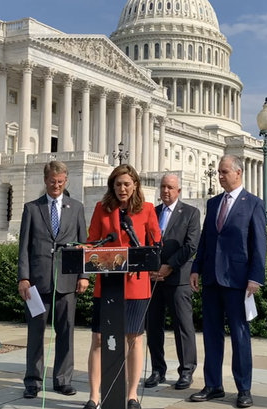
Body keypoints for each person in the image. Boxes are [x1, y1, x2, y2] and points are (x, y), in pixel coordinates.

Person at [189, 155, 266, 409]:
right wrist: (196, 268)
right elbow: (206, 239)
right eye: (218, 172)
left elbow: (259, 244)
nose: (220, 176)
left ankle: (244, 388)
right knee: (211, 335)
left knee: (240, 336)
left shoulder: (253, 204)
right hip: (211, 278)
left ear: (238, 173)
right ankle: (213, 385)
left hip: (238, 280)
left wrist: (256, 276)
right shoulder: (212, 204)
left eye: (224, 172)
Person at [85, 164, 160, 409]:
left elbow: (155, 244)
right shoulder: (101, 208)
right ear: (112, 186)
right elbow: (92, 243)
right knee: (98, 338)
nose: (122, 188)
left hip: (136, 285)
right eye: (118, 184)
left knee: (134, 338)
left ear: (135, 185)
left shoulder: (147, 210)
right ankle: (94, 397)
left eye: (127, 184)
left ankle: (131, 395)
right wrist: (83, 251)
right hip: (107, 285)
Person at [16, 161, 89, 400]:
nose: (56, 185)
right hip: (37, 283)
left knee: (66, 333)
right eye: (51, 181)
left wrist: (83, 275)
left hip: (67, 281)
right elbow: (24, 247)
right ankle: (33, 382)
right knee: (36, 334)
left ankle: (63, 380)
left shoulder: (76, 208)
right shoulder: (32, 208)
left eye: (60, 182)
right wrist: (24, 278)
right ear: (45, 180)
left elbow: (82, 245)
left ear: (65, 181)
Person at [145, 173, 200, 391]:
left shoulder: (191, 213)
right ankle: (157, 369)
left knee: (183, 326)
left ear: (178, 191)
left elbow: (191, 246)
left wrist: (169, 267)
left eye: (170, 187)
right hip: (153, 279)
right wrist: (150, 267)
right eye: (163, 187)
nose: (166, 191)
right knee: (153, 326)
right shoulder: (153, 212)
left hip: (177, 279)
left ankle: (186, 371)